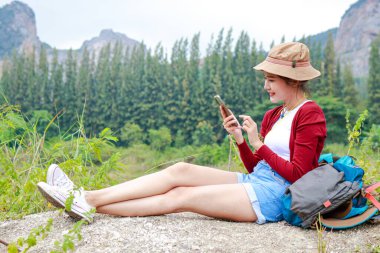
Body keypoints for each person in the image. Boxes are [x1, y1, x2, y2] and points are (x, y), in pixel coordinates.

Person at [37, 42, 327, 224]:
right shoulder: (274, 115)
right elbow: (255, 169)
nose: (266, 86)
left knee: (181, 196)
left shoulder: (309, 114)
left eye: (271, 80)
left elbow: (299, 175)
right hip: (257, 181)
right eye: (265, 79)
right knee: (179, 170)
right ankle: (86, 198)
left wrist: (257, 143)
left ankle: (86, 200)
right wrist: (241, 141)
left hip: (276, 196)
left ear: (293, 80)